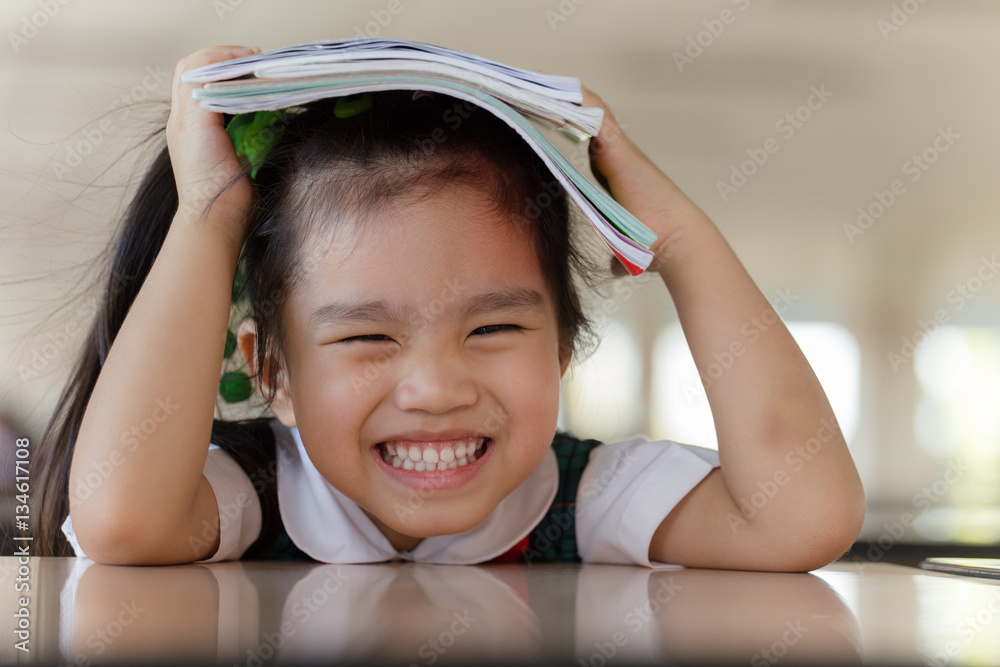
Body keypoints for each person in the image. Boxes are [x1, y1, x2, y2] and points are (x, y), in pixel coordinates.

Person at [36, 45, 864, 569]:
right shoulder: (257, 487)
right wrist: (210, 215)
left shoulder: (587, 496)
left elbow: (802, 514)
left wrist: (677, 240)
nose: (436, 386)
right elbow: (120, 522)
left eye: (495, 327)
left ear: (563, 349)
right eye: (367, 335)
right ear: (271, 371)